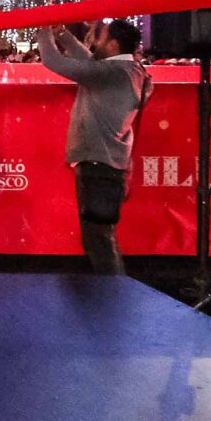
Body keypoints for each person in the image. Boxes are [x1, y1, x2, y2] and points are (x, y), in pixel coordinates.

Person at [38, 19, 149, 277]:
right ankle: (111, 291)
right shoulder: (127, 70)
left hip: (100, 166)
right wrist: (62, 34)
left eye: (99, 37)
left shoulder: (113, 74)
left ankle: (112, 292)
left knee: (99, 240)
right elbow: (89, 61)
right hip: (107, 164)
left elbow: (53, 61)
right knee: (100, 237)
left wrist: (42, 27)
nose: (93, 41)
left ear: (113, 45)